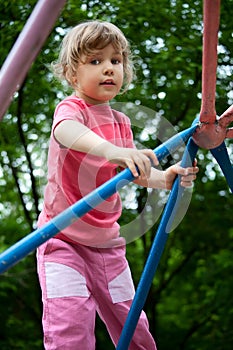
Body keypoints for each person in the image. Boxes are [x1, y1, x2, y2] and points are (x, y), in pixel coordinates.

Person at [37, 20, 198, 350]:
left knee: (135, 328)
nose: (108, 68)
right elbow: (65, 132)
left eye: (115, 60)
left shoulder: (122, 122)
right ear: (71, 74)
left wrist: (163, 179)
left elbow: (134, 172)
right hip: (63, 242)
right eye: (95, 61)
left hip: (108, 247)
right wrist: (113, 150)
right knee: (70, 330)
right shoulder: (72, 109)